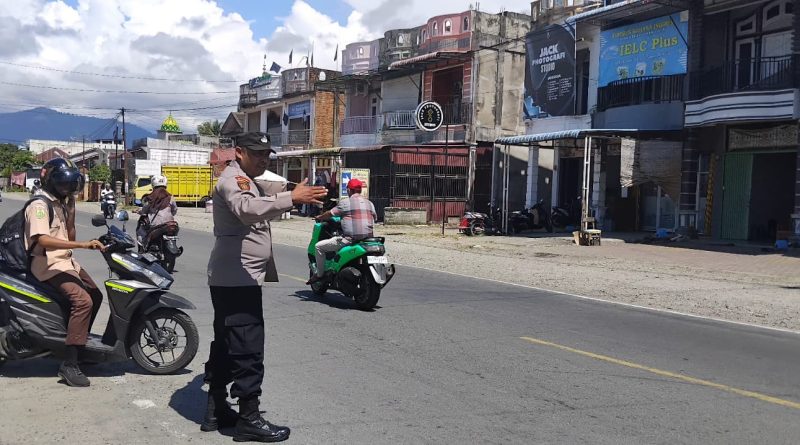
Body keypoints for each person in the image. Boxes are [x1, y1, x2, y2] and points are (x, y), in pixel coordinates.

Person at [202, 132, 327, 442]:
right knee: (248, 347)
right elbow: (247, 208)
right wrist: (292, 198)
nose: (263, 159)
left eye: (267, 154)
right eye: (257, 153)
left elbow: (263, 191)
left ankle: (216, 408)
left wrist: (292, 191)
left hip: (233, 277)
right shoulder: (234, 179)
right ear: (239, 152)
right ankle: (249, 417)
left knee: (226, 344)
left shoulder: (246, 178)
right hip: (237, 279)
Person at [23, 158, 106, 387]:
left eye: (69, 184)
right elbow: (43, 240)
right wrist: (82, 245)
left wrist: (71, 210)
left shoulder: (59, 203)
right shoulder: (39, 205)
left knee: (96, 295)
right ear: (49, 180)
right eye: (62, 183)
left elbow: (69, 235)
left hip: (65, 261)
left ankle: (79, 344)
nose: (66, 188)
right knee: (83, 302)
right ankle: (69, 364)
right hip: (48, 264)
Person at [307, 178, 376, 285]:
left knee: (318, 247)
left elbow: (329, 214)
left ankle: (319, 275)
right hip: (368, 240)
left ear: (349, 190)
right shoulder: (370, 203)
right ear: (360, 190)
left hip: (350, 240)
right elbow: (374, 218)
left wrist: (320, 217)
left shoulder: (345, 203)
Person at [136, 175, 177, 246]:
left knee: (140, 230)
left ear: (153, 186)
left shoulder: (150, 198)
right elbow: (174, 210)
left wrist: (139, 212)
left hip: (155, 225)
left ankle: (143, 246)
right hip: (170, 223)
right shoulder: (170, 197)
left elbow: (144, 210)